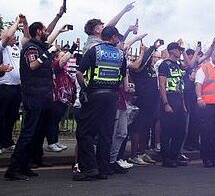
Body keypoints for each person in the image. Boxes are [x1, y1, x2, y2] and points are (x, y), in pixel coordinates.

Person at [4, 22, 58, 181]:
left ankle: (24, 165)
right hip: (33, 96)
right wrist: (49, 54)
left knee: (35, 133)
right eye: (43, 29)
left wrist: (59, 16)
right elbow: (33, 65)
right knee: (28, 133)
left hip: (42, 96)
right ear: (38, 31)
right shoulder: (31, 48)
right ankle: (13, 169)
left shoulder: (40, 46)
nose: (46, 32)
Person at [74, 26, 127, 181]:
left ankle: (89, 168)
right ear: (114, 37)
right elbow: (122, 77)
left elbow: (79, 72)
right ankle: (103, 169)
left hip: (95, 95)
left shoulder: (94, 51)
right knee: (106, 133)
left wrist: (84, 89)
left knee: (85, 132)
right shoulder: (120, 55)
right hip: (112, 97)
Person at [128, 40, 162, 166]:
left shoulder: (152, 69)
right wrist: (152, 47)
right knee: (137, 127)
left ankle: (142, 153)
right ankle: (133, 155)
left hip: (151, 101)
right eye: (153, 55)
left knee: (146, 127)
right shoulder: (139, 67)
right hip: (141, 100)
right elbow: (142, 62)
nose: (153, 58)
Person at [0, 15, 29, 155]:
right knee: (1, 116)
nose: (13, 36)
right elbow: (6, 37)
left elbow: (27, 37)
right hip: (4, 86)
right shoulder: (2, 48)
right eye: (11, 35)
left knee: (12, 116)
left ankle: (7, 141)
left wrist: (25, 23)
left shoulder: (17, 48)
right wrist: (16, 22)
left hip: (16, 87)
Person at [46, 39, 79, 153]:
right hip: (57, 97)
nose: (65, 58)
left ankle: (55, 140)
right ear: (56, 58)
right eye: (62, 56)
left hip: (65, 98)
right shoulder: (56, 65)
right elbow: (63, 61)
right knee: (53, 120)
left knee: (57, 119)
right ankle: (51, 142)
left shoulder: (65, 69)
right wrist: (73, 48)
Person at [158, 42, 187, 168]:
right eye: (178, 50)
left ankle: (174, 156)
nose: (180, 52)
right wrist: (166, 103)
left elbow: (188, 65)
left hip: (179, 98)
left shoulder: (179, 65)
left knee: (180, 130)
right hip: (169, 97)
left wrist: (184, 104)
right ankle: (166, 159)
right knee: (167, 130)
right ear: (172, 51)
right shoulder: (165, 65)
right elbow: (162, 85)